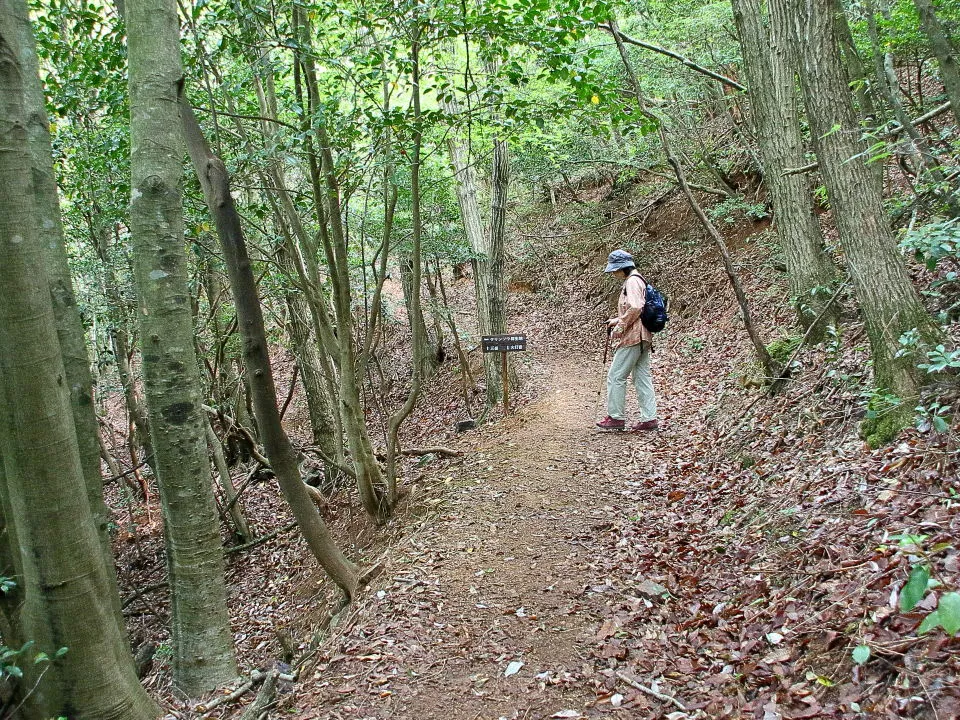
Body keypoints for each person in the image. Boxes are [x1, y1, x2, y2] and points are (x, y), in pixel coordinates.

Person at [596, 249, 659, 432]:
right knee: (642, 377)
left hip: (634, 337)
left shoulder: (631, 281)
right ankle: (649, 418)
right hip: (644, 336)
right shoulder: (639, 279)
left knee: (616, 375)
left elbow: (636, 306)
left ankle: (615, 417)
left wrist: (621, 326)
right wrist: (616, 320)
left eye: (615, 270)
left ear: (624, 268)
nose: (614, 273)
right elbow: (636, 308)